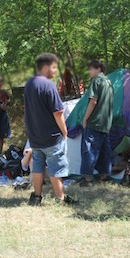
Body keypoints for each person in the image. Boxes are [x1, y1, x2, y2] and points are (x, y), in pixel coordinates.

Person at [24, 53, 74, 205]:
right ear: (45, 67)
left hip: (35, 136)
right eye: (53, 67)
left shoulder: (29, 84)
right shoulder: (48, 85)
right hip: (51, 136)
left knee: (37, 166)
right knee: (56, 167)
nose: (55, 71)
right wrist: (65, 132)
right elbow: (58, 113)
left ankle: (37, 197)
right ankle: (60, 198)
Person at [80, 60, 114, 186]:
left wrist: (85, 119)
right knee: (105, 149)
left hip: (95, 121)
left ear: (98, 69)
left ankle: (87, 179)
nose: (89, 72)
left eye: (91, 69)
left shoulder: (97, 81)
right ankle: (104, 175)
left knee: (89, 149)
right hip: (106, 122)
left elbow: (93, 101)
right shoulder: (109, 82)